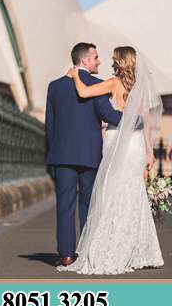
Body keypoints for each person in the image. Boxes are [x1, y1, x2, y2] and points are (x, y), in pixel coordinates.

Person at [57, 46, 164, 275]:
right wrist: (149, 151)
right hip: (135, 143)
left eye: (114, 58)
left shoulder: (114, 83)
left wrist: (76, 75)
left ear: (120, 62)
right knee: (133, 191)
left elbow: (84, 93)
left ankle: (112, 246)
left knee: (111, 192)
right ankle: (136, 249)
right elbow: (143, 121)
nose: (110, 61)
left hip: (117, 140)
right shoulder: (140, 86)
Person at [45, 43, 123, 267]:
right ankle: (87, 251)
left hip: (62, 155)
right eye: (96, 57)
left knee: (64, 205)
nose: (99, 61)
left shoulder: (55, 86)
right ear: (84, 61)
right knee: (88, 204)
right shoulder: (97, 85)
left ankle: (67, 254)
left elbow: (50, 124)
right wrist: (135, 119)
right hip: (89, 154)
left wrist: (54, 151)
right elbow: (107, 114)